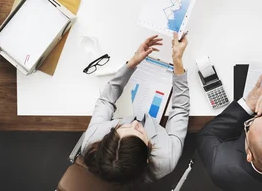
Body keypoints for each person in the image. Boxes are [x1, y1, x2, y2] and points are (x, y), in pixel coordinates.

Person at [81, 34, 189, 185]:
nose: (134, 122)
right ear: (147, 157)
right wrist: (178, 62)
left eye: (120, 127)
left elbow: (106, 100)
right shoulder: (167, 157)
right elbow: (180, 109)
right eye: (138, 131)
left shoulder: (93, 140)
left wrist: (131, 64)